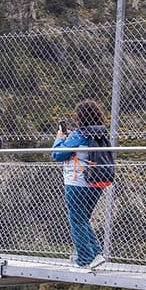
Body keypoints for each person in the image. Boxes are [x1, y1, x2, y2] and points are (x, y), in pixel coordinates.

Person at [51, 98, 112, 269]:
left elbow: (57, 155)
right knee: (83, 219)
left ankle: (85, 260)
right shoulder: (100, 133)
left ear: (80, 117)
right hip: (96, 183)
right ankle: (96, 254)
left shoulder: (79, 134)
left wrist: (59, 139)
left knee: (77, 221)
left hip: (77, 183)